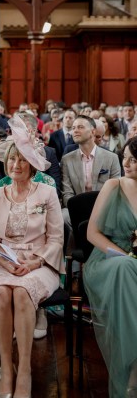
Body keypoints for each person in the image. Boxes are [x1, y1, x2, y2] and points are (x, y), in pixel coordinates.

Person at [0, 118, 64, 398]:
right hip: (5, 261)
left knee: (21, 293)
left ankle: (25, 371)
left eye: (21, 160)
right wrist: (3, 262)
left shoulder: (48, 193)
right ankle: (7, 370)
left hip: (40, 262)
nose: (15, 165)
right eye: (11, 159)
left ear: (31, 164)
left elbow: (56, 239)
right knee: (3, 292)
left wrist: (35, 262)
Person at [84, 137, 137, 398]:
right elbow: (92, 234)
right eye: (125, 156)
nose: (126, 163)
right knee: (126, 268)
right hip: (107, 260)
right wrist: (125, 254)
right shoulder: (113, 186)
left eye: (134, 160)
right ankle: (131, 372)